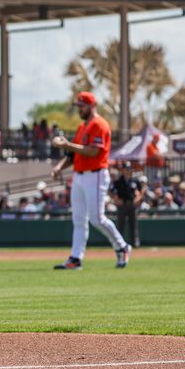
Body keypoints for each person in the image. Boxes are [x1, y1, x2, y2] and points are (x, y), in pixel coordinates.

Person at [50, 91, 132, 270]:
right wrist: (58, 168)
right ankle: (76, 258)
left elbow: (93, 151)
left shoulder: (99, 124)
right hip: (79, 176)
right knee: (78, 219)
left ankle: (122, 246)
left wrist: (66, 144)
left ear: (92, 106)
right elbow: (73, 154)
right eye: (78, 106)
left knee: (97, 218)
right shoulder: (82, 127)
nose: (79, 109)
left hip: (96, 174)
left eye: (82, 106)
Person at [111, 162, 143, 248]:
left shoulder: (135, 181)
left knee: (133, 224)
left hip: (132, 204)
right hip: (122, 205)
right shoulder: (118, 181)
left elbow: (141, 191)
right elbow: (111, 191)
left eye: (129, 169)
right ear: (123, 170)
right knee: (121, 225)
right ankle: (119, 243)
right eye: (126, 169)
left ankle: (135, 242)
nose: (128, 171)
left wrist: (138, 199)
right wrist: (116, 199)